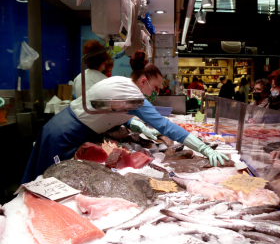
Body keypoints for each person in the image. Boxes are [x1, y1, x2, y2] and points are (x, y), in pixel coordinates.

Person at [22, 51, 229, 184]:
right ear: (143, 81)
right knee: (46, 183)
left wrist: (138, 126)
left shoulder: (123, 84)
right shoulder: (133, 95)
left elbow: (113, 110)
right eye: (155, 88)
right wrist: (203, 147)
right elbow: (164, 125)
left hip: (64, 126)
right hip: (65, 133)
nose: (156, 92)